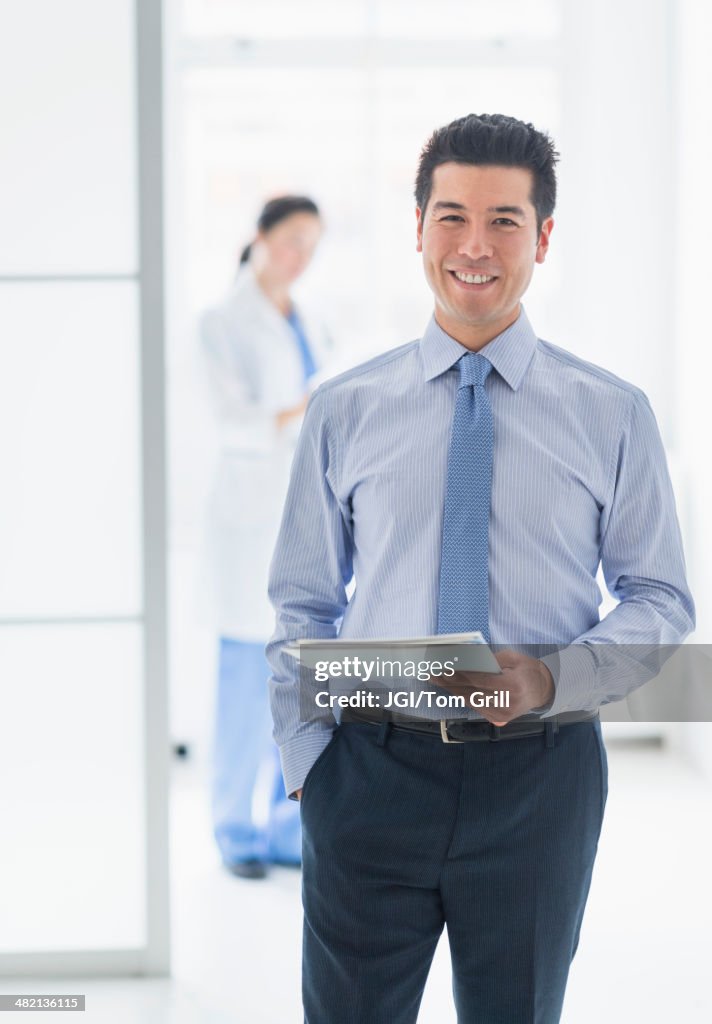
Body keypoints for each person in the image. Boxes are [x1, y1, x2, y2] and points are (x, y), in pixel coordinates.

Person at [266, 115, 695, 1021]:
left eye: (505, 220)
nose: (474, 245)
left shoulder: (613, 414)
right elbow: (303, 599)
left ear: (543, 237)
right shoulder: (346, 409)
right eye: (451, 215)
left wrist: (552, 677)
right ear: (416, 227)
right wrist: (314, 767)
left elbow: (659, 598)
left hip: (540, 783)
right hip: (369, 773)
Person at [200, 195, 331, 880]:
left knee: (300, 682)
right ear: (259, 239)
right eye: (290, 241)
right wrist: (306, 405)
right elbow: (233, 420)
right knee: (244, 680)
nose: (299, 257)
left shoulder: (307, 318)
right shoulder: (222, 322)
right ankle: (234, 827)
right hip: (249, 521)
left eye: (311, 244)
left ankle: (287, 827)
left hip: (303, 515)